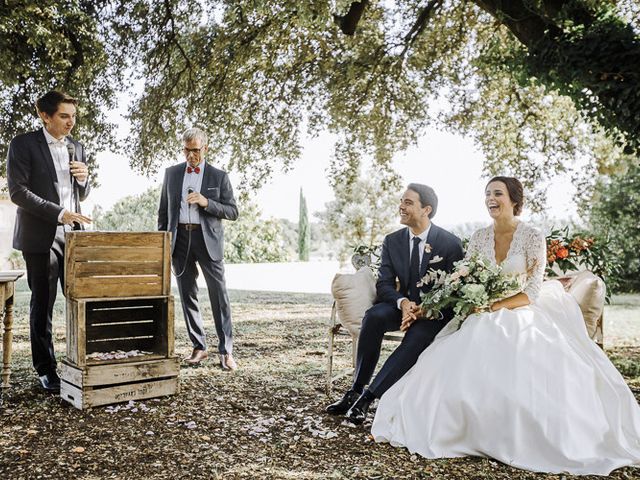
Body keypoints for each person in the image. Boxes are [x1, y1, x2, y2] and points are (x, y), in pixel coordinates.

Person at [372, 176, 640, 475]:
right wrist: (464, 302)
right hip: (479, 309)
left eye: (497, 193)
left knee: (506, 342)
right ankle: (459, 425)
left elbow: (534, 290)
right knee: (459, 350)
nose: (491, 199)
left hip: (521, 310)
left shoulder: (532, 236)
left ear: (514, 200)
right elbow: (464, 279)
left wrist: (495, 306)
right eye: (487, 193)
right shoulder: (478, 237)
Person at [326, 184, 464, 424]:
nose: (401, 206)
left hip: (433, 312)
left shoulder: (450, 244)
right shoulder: (392, 241)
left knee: (417, 338)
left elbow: (455, 289)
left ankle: (368, 398)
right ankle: (356, 390)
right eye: (402, 201)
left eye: (408, 202)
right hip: (401, 305)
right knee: (374, 316)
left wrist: (427, 308)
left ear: (426, 210)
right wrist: (402, 303)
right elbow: (385, 284)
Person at [7, 90, 91, 392]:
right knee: (43, 304)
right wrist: (59, 213)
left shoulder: (77, 147)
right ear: (46, 116)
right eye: (64, 116)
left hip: (74, 237)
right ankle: (46, 369)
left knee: (80, 301)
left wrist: (84, 179)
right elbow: (18, 192)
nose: (71, 122)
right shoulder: (23, 144)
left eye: (73, 117)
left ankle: (79, 362)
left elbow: (81, 194)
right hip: (40, 235)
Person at [158, 127, 239, 370]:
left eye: (195, 150)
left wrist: (207, 202)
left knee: (219, 295)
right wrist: (163, 242)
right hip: (180, 240)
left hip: (208, 242)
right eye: (186, 150)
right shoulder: (171, 174)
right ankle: (199, 347)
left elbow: (232, 211)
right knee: (187, 294)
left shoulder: (219, 176)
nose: (191, 155)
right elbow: (164, 211)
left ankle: (226, 351)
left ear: (205, 148)